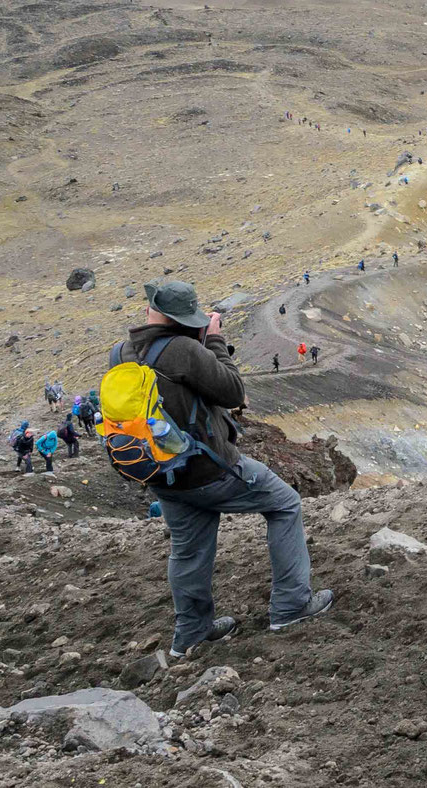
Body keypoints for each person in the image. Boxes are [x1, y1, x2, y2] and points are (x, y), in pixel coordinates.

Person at [122, 279, 333, 656]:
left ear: (150, 312)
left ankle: (192, 634)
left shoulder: (122, 353)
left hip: (161, 471)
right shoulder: (185, 350)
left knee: (187, 550)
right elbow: (233, 391)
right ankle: (291, 606)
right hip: (209, 468)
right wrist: (214, 341)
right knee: (284, 504)